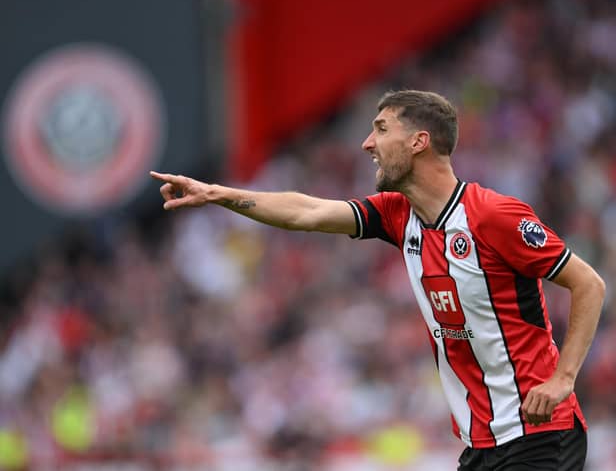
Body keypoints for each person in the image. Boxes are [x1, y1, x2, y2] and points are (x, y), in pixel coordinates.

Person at [150, 89, 605, 470]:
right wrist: (218, 194)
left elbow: (589, 283)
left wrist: (563, 378)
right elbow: (307, 212)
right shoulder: (397, 215)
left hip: (541, 434)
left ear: (419, 142)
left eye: (382, 129)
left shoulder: (494, 216)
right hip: (482, 445)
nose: (367, 143)